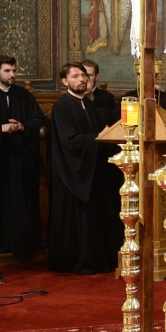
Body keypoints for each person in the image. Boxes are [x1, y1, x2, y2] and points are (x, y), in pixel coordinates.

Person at [49, 63, 114, 274]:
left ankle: (95, 260)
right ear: (65, 81)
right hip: (72, 173)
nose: (81, 79)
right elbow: (69, 141)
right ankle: (74, 261)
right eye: (75, 76)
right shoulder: (61, 107)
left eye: (84, 75)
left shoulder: (89, 104)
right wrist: (97, 137)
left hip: (91, 171)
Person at [0, 55, 46, 260]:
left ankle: (23, 242)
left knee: (22, 201)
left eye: (14, 71)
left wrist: (21, 126)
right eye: (7, 71)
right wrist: (0, 128)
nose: (12, 75)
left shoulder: (23, 95)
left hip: (20, 157)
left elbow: (39, 118)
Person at [82, 59, 123, 262]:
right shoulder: (71, 102)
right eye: (82, 75)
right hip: (84, 160)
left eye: (89, 75)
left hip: (104, 159)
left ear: (96, 76)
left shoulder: (105, 99)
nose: (85, 79)